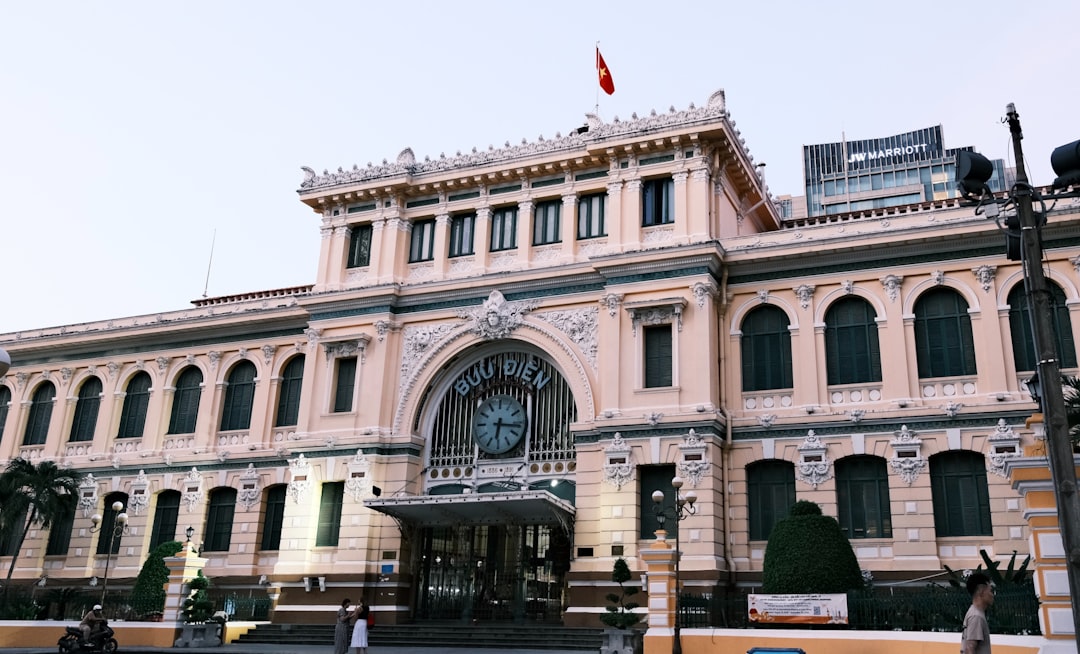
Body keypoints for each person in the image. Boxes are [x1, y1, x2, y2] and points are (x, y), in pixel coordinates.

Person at [962, 572, 994, 654]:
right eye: (990, 591)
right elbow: (970, 648)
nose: (992, 595)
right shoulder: (976, 616)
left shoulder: (974, 612)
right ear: (981, 591)